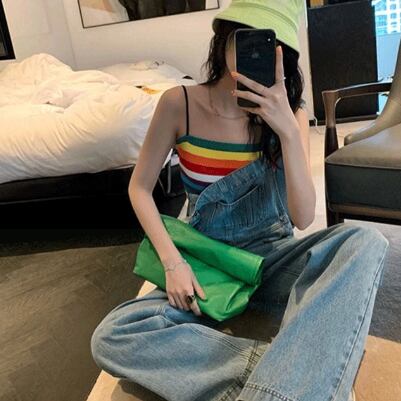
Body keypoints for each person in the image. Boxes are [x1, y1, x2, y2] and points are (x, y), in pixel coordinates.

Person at [90, 1, 389, 401]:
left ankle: (289, 382)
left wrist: (287, 131)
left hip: (271, 259)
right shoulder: (179, 104)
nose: (257, 56)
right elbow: (139, 188)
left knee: (363, 243)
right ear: (224, 40)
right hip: (208, 263)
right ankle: (292, 377)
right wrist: (173, 263)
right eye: (247, 40)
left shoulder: (291, 114)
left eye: (272, 46)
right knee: (114, 335)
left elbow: (302, 217)